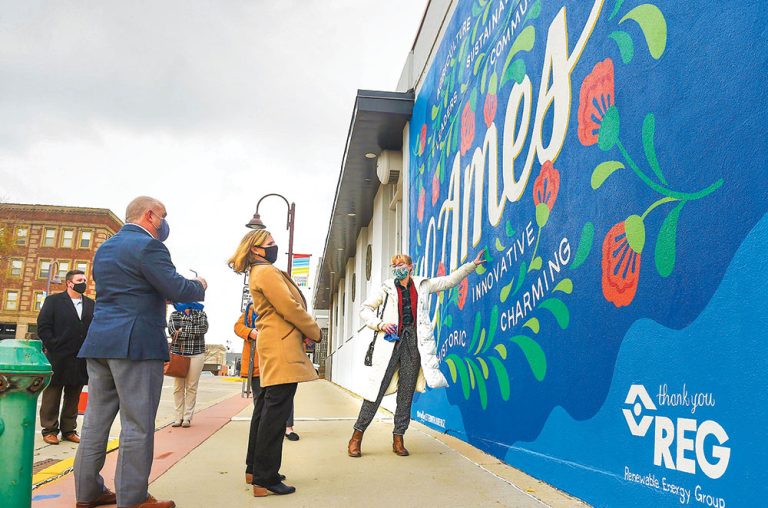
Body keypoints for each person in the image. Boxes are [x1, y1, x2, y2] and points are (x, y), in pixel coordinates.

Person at [73, 196, 206, 508]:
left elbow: (128, 288)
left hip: (100, 342)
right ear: (150, 215)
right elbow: (178, 289)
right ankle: (132, 498)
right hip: (136, 345)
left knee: (94, 423)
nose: (165, 222)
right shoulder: (150, 246)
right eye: (164, 215)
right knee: (137, 424)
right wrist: (199, 283)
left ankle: (87, 492)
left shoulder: (105, 248)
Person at [348, 251, 486, 458]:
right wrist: (380, 324)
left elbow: (448, 282)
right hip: (390, 343)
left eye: (402, 264)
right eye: (395, 265)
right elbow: (365, 309)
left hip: (413, 343)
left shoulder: (423, 285)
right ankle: (356, 436)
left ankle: (398, 438)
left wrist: (471, 266)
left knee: (406, 394)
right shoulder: (386, 288)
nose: (398, 268)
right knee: (375, 390)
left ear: (411, 267)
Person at [227, 229, 321, 497]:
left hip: (272, 344)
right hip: (282, 345)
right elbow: (289, 306)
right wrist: (315, 331)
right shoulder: (266, 272)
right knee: (276, 413)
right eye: (270, 243)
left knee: (265, 409)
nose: (274, 246)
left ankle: (254, 469)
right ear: (256, 249)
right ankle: (265, 478)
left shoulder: (258, 271)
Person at [37, 269, 94, 445]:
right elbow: (43, 326)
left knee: (74, 396)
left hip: (80, 358)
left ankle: (69, 430)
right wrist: (53, 345)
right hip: (58, 356)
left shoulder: (91, 304)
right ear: (69, 283)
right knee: (52, 394)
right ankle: (49, 430)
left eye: (84, 279)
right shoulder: (53, 301)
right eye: (79, 279)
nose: (83, 282)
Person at [167, 302, 209, 428]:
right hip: (179, 354)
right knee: (178, 387)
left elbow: (203, 329)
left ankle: (187, 417)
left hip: (197, 354)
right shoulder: (174, 314)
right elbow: (173, 332)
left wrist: (182, 330)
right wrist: (191, 331)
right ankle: (177, 417)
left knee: (191, 386)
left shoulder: (201, 313)